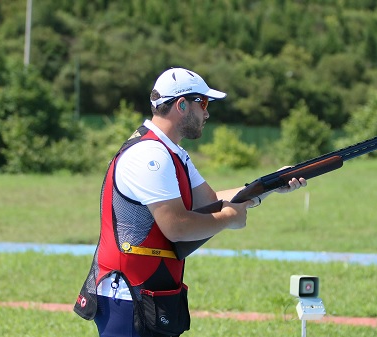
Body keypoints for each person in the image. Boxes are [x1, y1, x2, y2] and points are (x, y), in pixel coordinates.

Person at [74, 67, 307, 337]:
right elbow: (177, 227)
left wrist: (269, 185)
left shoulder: (171, 152)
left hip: (147, 293)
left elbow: (209, 201)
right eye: (203, 103)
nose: (207, 113)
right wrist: (229, 219)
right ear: (181, 104)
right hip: (129, 296)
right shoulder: (151, 156)